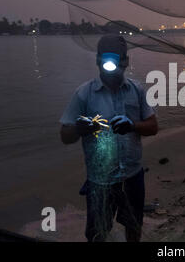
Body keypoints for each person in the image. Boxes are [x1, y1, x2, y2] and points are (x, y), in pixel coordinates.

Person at [59, 35, 158, 242]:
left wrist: (132, 125)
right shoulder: (84, 94)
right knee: (97, 233)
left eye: (118, 60)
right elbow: (65, 136)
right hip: (100, 182)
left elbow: (153, 127)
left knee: (133, 226)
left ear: (126, 62)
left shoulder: (136, 90)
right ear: (97, 60)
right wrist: (80, 128)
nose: (112, 66)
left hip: (132, 176)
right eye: (107, 60)